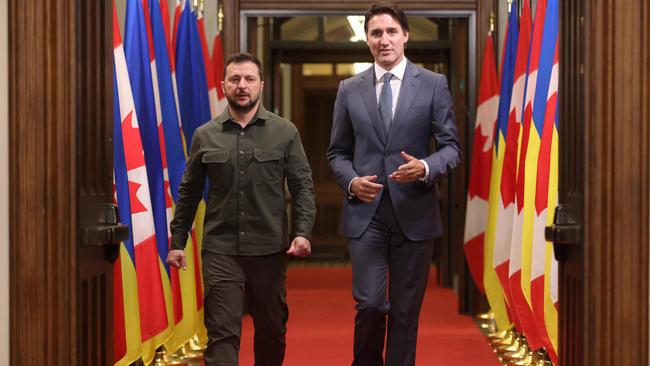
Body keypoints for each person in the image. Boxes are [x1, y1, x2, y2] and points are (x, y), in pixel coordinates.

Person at [327, 2, 461, 365]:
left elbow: (451, 148)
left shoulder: (433, 84)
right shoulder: (348, 89)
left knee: (404, 314)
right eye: (375, 33)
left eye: (390, 32)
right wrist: (352, 182)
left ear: (405, 36)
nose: (383, 40)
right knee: (371, 304)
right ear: (367, 40)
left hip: (415, 215)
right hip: (365, 217)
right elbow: (336, 154)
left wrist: (427, 167)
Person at [167, 52, 316, 366]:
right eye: (234, 79)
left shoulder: (285, 132)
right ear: (223, 86)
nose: (242, 85)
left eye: (249, 79)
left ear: (261, 85)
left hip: (269, 250)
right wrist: (177, 242)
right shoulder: (205, 136)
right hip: (221, 250)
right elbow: (189, 191)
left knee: (271, 330)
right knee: (222, 334)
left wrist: (303, 233)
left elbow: (302, 186)